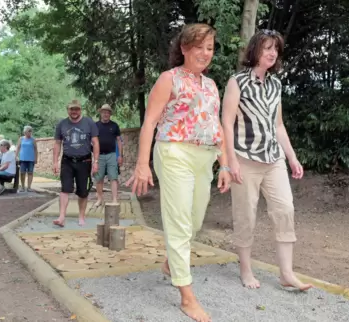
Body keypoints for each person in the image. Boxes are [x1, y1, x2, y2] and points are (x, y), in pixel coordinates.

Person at [126, 24, 231, 322]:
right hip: (174, 153)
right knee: (180, 223)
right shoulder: (168, 79)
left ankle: (172, 262)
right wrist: (142, 164)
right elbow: (149, 123)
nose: (205, 53)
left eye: (209, 48)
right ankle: (187, 297)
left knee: (195, 221)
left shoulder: (211, 86)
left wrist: (224, 163)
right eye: (199, 46)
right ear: (184, 48)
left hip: (205, 157)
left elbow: (217, 127)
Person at [222, 29, 312, 292]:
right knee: (245, 215)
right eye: (267, 47)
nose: (272, 53)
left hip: (273, 160)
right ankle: (246, 270)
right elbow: (226, 123)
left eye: (276, 49)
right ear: (255, 50)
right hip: (245, 158)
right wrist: (230, 162)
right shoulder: (236, 82)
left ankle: (286, 273)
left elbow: (279, 125)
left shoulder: (276, 84)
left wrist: (292, 158)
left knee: (285, 210)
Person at [52, 99, 99, 227]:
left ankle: (81, 217)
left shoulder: (89, 123)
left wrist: (96, 161)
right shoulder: (62, 124)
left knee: (83, 191)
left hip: (84, 161)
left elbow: (95, 142)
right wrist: (55, 161)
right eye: (71, 109)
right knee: (65, 189)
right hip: (67, 160)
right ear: (68, 110)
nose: (74, 112)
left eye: (76, 109)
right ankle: (61, 217)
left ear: (80, 110)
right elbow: (57, 143)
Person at [94, 104, 123, 205]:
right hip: (99, 156)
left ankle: (114, 199)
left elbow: (119, 141)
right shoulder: (95, 126)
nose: (105, 114)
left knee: (113, 177)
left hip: (112, 155)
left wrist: (120, 155)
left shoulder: (114, 125)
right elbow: (92, 141)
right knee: (99, 178)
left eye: (107, 112)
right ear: (101, 113)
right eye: (104, 112)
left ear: (110, 114)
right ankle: (99, 199)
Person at [15, 125, 38, 192]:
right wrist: (16, 156)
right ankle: (22, 187)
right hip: (23, 159)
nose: (30, 133)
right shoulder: (21, 139)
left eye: (31, 131)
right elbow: (18, 148)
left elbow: (35, 149)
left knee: (30, 173)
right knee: (22, 173)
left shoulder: (33, 139)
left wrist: (36, 158)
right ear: (25, 132)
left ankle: (29, 187)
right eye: (29, 131)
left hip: (31, 159)